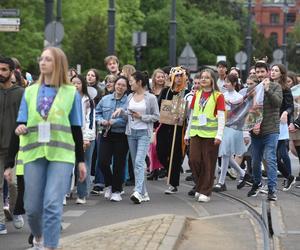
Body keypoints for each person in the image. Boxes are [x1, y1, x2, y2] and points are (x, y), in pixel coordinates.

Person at [15, 47, 86, 249]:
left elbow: (75, 129)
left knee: (53, 205)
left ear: (58, 64)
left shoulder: (71, 93)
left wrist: (81, 161)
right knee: (32, 209)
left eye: (48, 59)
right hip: (34, 153)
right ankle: (38, 238)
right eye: (42, 59)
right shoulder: (29, 92)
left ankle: (51, 246)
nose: (43, 62)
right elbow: (21, 122)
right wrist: (20, 127)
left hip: (61, 155)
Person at [113, 71, 159, 204]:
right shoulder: (130, 97)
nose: (130, 83)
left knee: (139, 162)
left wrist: (141, 117)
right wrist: (121, 112)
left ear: (139, 82)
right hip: (131, 133)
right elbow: (128, 115)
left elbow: (156, 116)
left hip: (144, 133)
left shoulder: (150, 98)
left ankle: (138, 191)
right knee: (136, 164)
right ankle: (144, 193)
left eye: (132, 81)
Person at [184, 69, 225, 202]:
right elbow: (193, 116)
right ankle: (200, 186)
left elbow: (221, 118)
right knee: (194, 160)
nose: (203, 80)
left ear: (212, 80)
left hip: (210, 135)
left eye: (207, 78)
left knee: (209, 163)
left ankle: (205, 191)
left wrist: (219, 135)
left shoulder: (218, 96)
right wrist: (187, 134)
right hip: (195, 133)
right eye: (202, 77)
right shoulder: (197, 94)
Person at [247, 60, 282, 201]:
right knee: (255, 161)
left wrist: (267, 90)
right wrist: (252, 126)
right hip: (256, 131)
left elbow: (278, 103)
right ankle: (257, 183)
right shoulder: (253, 88)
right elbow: (249, 110)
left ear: (267, 72)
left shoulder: (275, 86)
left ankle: (272, 189)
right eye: (258, 72)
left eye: (263, 71)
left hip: (271, 129)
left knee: (270, 158)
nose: (260, 74)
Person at [0, 56, 24, 234]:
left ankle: (16, 210)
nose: (0, 73)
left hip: (15, 146)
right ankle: (0, 221)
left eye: (4, 70)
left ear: (11, 71)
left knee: (13, 183)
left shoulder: (21, 93)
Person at [96, 76, 128, 202]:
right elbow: (97, 113)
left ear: (126, 88)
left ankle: (116, 190)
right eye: (118, 84)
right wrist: (101, 121)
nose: (120, 87)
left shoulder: (128, 101)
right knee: (102, 162)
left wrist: (114, 122)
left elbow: (127, 118)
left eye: (123, 85)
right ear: (114, 85)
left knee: (119, 164)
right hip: (106, 134)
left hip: (121, 135)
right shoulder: (105, 99)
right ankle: (109, 184)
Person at [156, 66, 188, 194]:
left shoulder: (186, 92)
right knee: (161, 151)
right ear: (172, 77)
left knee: (175, 155)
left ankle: (173, 183)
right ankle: (170, 169)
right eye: (177, 76)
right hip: (165, 126)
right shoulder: (166, 91)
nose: (179, 78)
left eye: (181, 76)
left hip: (179, 128)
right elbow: (160, 107)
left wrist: (181, 117)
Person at [213, 74, 247, 192]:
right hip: (223, 126)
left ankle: (221, 182)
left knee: (226, 153)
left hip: (233, 128)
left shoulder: (238, 97)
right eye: (225, 82)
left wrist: (229, 103)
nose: (225, 84)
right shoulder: (222, 95)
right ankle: (242, 173)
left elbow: (239, 114)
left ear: (234, 84)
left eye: (227, 82)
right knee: (225, 153)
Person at [270, 64, 295, 191]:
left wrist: (286, 113)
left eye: (276, 70)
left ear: (281, 73)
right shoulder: (267, 85)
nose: (273, 72)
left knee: (276, 154)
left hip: (280, 124)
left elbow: (290, 106)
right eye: (272, 70)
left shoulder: (285, 88)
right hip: (269, 122)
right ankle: (288, 176)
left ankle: (286, 177)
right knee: (273, 154)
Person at [71, 74, 96, 204]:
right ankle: (65, 192)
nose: (75, 85)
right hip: (69, 136)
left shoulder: (88, 100)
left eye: (78, 83)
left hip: (86, 137)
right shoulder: (66, 98)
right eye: (73, 83)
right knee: (69, 165)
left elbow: (90, 121)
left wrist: (86, 138)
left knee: (84, 164)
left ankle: (82, 194)